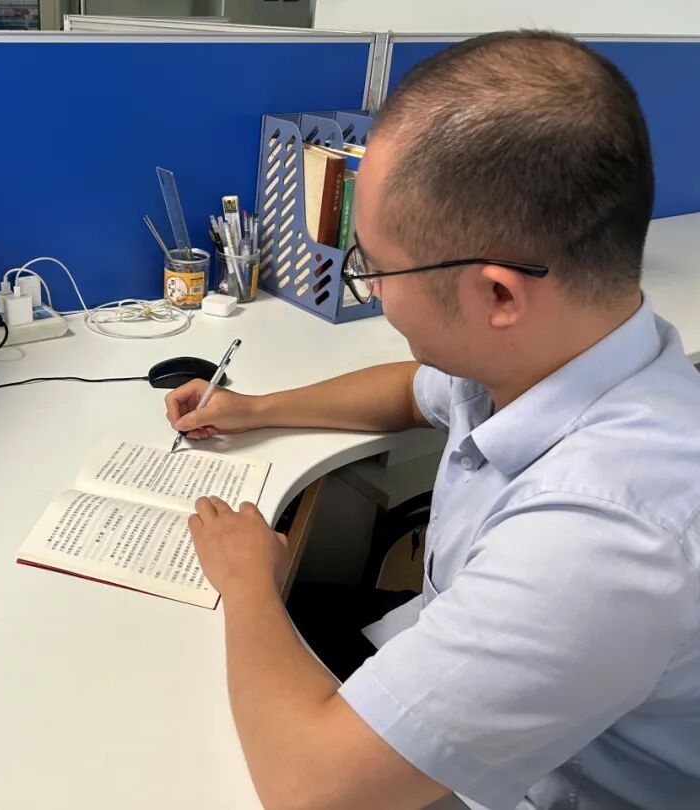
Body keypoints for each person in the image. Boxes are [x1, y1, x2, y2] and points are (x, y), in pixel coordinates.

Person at [165, 30, 700, 810]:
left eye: (377, 268)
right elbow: (413, 391)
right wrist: (255, 409)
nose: (373, 291)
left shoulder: (605, 536)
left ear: (497, 294)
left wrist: (249, 581)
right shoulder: (573, 348)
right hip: (453, 651)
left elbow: (311, 792)